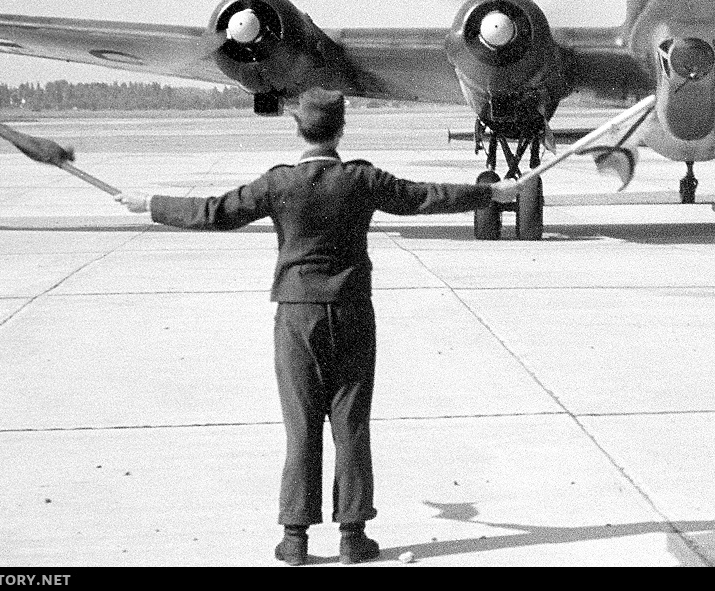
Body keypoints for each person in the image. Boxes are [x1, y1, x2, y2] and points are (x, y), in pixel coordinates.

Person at [116, 88, 520, 566]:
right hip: (351, 310)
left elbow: (215, 212)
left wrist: (151, 203)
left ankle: (295, 539)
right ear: (341, 129)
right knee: (351, 424)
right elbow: (423, 196)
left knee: (301, 424)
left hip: (297, 314)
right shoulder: (362, 180)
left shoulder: (280, 184)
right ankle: (353, 538)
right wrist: (490, 193)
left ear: (298, 127)